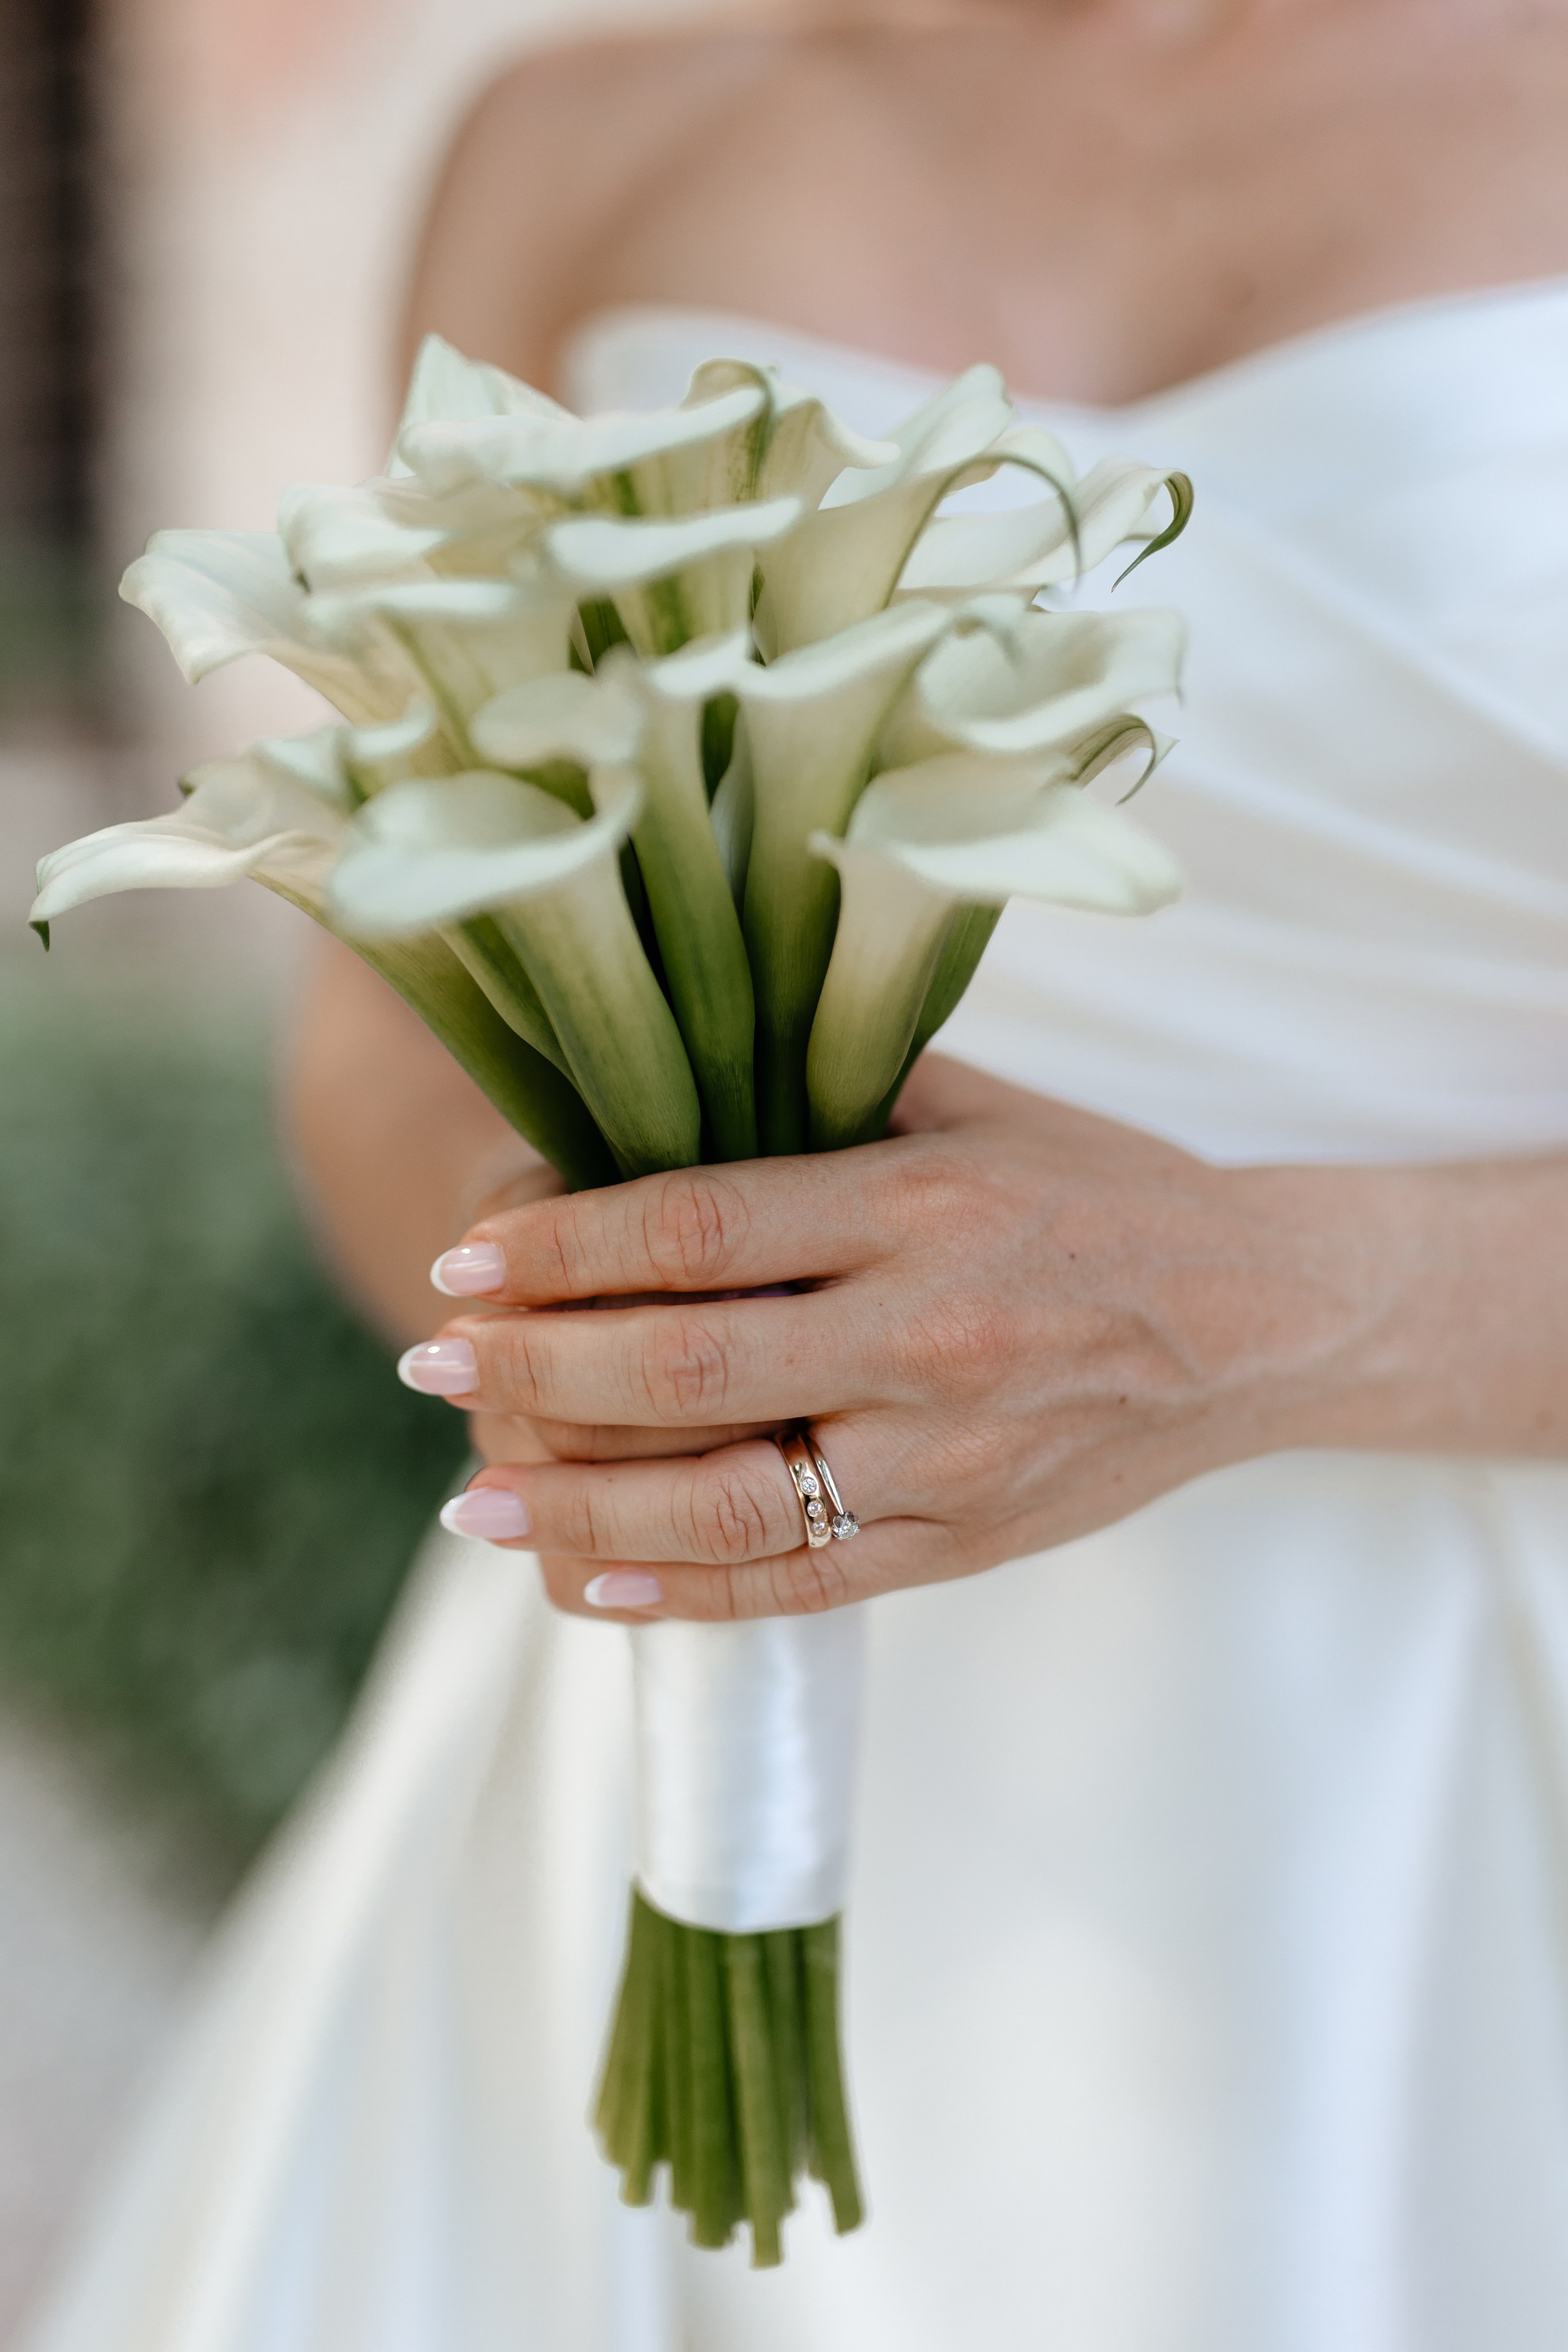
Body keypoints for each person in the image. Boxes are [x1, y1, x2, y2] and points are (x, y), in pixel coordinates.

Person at [25, 2, 1568, 2345]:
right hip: (679, 1704)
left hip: (1470, 1727)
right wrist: (593, 1307)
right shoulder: (586, 134)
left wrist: (1269, 1300)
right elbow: (377, 1002)